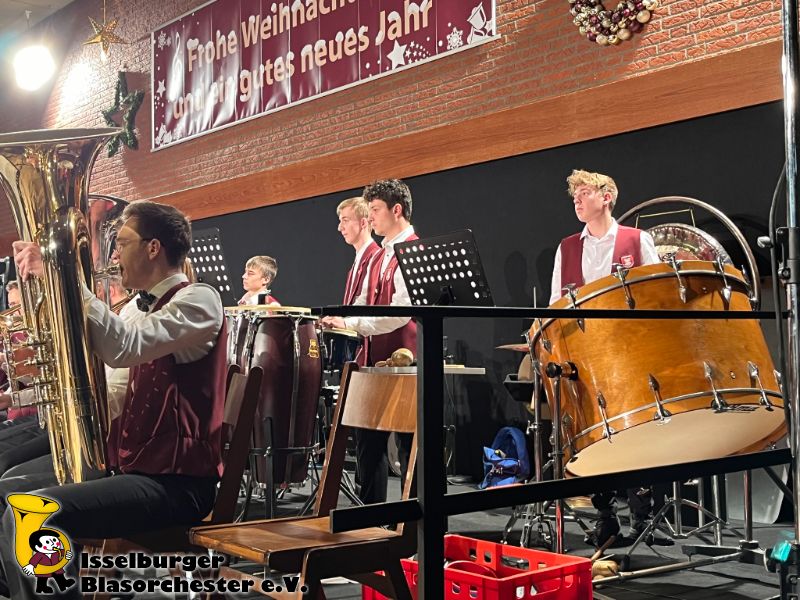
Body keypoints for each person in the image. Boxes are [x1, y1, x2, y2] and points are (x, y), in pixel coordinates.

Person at [0, 200, 227, 599]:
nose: (114, 256)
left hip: (175, 483)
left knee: (34, 516)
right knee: (7, 489)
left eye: (121, 243)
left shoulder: (199, 300)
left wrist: (63, 278)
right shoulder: (134, 308)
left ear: (153, 247)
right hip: (129, 465)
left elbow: (125, 348)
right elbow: (105, 384)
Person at [549, 169, 666, 548]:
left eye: (584, 193)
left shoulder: (637, 239)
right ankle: (606, 518)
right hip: (586, 359)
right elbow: (555, 305)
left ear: (607, 197)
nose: (577, 200)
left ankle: (644, 518)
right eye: (574, 196)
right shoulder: (567, 247)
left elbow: (654, 294)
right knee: (595, 439)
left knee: (638, 434)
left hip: (631, 354)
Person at [321, 179, 417, 504]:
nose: (371, 216)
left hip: (405, 365)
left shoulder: (412, 249)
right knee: (369, 446)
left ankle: (413, 524)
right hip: (373, 363)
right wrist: (340, 321)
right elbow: (363, 303)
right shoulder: (379, 256)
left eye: (375, 209)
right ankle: (371, 518)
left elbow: (401, 314)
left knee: (408, 449)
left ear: (396, 210)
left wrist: (349, 322)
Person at [337, 197, 380, 305]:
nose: (340, 227)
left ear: (363, 223)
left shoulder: (377, 258)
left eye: (345, 220)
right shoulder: (360, 258)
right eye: (340, 221)